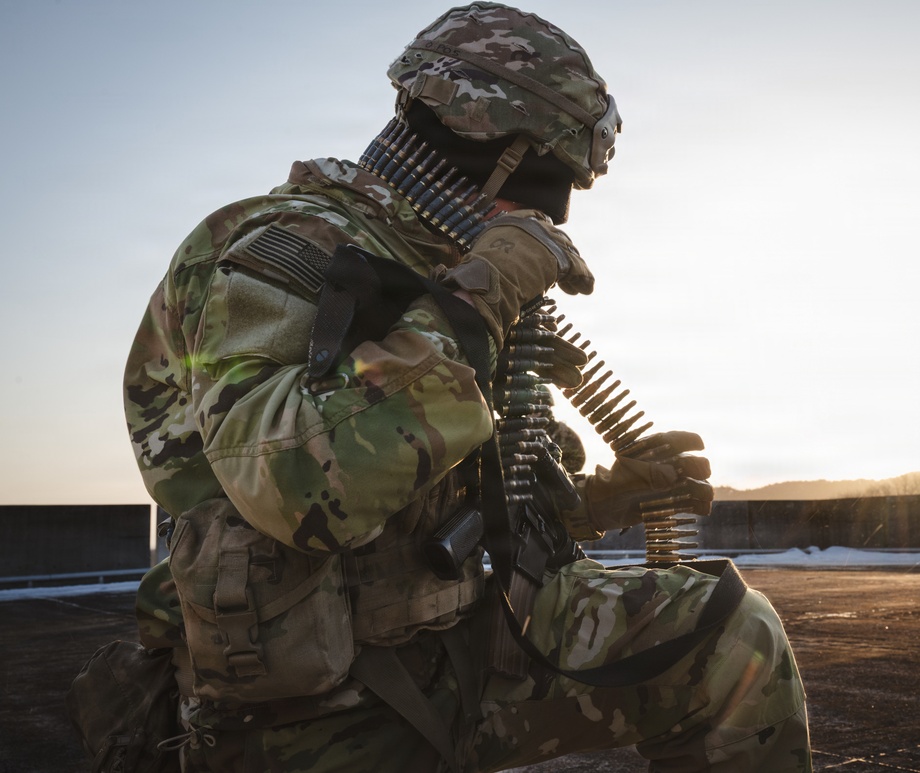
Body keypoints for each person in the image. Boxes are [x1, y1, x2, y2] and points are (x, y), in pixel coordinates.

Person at [122, 3, 811, 771]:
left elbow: (456, 512)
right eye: (549, 180)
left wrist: (598, 503)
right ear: (493, 147)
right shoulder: (288, 247)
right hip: (313, 709)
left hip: (458, 642)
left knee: (727, 637)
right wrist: (477, 299)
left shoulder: (435, 257)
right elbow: (287, 486)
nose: (554, 215)